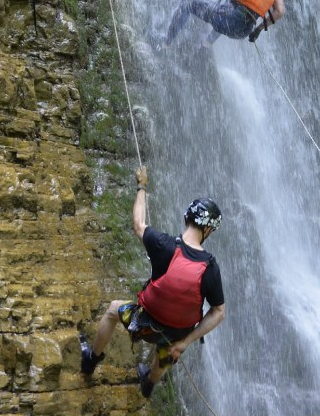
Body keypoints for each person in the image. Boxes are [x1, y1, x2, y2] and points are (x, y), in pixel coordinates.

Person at [79, 166, 226, 398]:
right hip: (175, 335)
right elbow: (218, 312)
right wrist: (186, 342)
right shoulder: (210, 267)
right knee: (169, 347)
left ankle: (90, 359)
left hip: (144, 324)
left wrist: (142, 185)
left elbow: (138, 224)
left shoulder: (164, 245)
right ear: (208, 230)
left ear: (186, 217)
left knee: (113, 310)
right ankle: (149, 383)